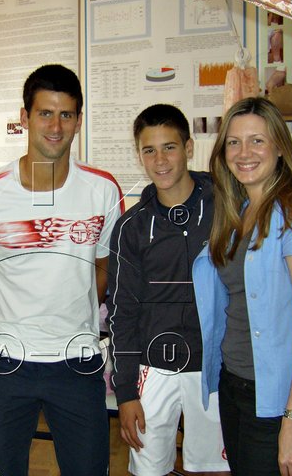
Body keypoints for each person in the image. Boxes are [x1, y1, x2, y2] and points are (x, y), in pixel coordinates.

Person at [0, 64, 123, 476]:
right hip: (6, 362)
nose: (56, 126)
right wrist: (4, 320)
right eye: (45, 113)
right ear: (24, 117)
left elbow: (105, 266)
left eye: (66, 115)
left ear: (79, 120)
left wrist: (73, 311)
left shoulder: (102, 189)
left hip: (78, 360)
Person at [192, 97, 292, 476]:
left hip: (275, 398)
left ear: (279, 148)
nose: (244, 153)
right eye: (234, 142)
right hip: (234, 382)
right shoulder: (239, 212)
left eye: (257, 141)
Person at [107, 104, 230, 476]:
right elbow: (121, 313)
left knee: (212, 470)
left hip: (213, 366)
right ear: (139, 155)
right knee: (148, 470)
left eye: (169, 147)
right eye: (149, 150)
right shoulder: (131, 227)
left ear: (189, 148)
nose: (159, 160)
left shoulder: (226, 208)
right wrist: (126, 393)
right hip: (153, 368)